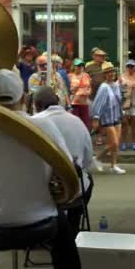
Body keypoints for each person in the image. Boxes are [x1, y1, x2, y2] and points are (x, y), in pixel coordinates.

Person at [0, 69, 81, 269]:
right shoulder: (45, 126)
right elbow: (67, 173)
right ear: (25, 97)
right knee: (65, 235)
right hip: (38, 224)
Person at [33, 86, 95, 235]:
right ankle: (73, 226)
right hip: (74, 190)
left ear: (36, 105)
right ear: (58, 101)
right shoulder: (76, 121)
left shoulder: (33, 123)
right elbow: (87, 159)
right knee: (87, 182)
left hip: (41, 192)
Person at [91, 62, 126, 174]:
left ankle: (113, 165)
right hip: (107, 117)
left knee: (115, 144)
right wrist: (96, 117)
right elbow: (98, 103)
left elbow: (120, 100)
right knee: (114, 143)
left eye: (112, 72)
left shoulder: (116, 85)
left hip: (117, 115)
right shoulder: (103, 87)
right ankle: (97, 158)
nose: (111, 74)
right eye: (108, 72)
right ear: (104, 75)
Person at [68, 59, 92, 129]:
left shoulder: (86, 75)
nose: (80, 67)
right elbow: (67, 90)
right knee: (75, 123)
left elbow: (89, 87)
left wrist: (89, 91)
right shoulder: (70, 76)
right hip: (74, 103)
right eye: (78, 65)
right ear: (74, 66)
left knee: (86, 123)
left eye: (81, 65)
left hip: (84, 102)